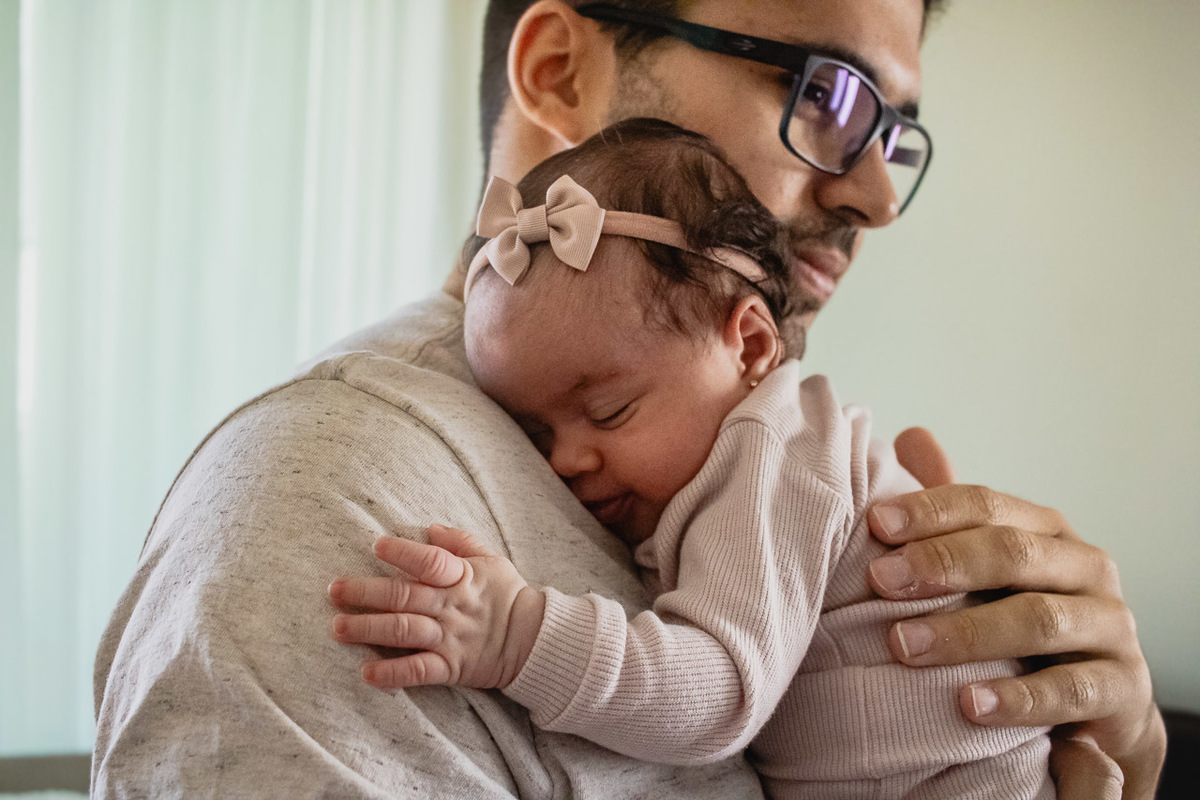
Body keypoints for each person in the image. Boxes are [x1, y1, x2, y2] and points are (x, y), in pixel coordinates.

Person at [91, 1, 1165, 798]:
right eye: (826, 94)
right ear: (560, 70)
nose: (877, 194)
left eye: (891, 131)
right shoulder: (334, 501)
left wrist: (1113, 744)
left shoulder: (757, 451)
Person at [329, 119, 1057, 799]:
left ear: (749, 345)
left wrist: (515, 635)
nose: (566, 461)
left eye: (609, 410)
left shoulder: (776, 455)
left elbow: (719, 695)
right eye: (534, 433)